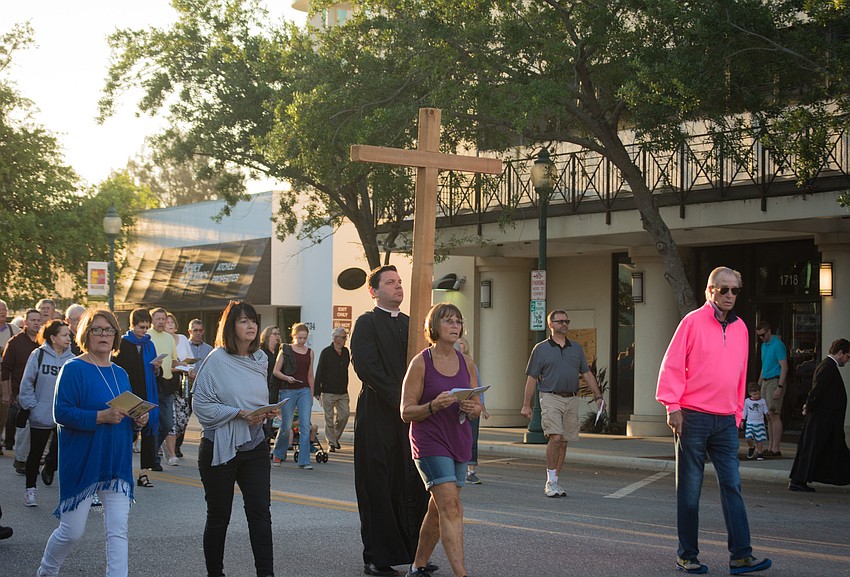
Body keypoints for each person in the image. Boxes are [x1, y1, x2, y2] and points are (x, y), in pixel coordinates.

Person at [656, 266, 772, 575]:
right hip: (692, 417)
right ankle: (687, 555)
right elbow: (672, 365)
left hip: (725, 421)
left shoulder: (742, 328)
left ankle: (741, 556)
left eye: (734, 290)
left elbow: (740, 373)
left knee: (732, 485)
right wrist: (672, 406)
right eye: (723, 290)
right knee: (690, 490)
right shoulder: (691, 322)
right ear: (710, 291)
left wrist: (737, 413)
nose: (730, 295)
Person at [37, 307, 149, 577]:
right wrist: (100, 417)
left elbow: (124, 410)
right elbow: (61, 413)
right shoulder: (73, 368)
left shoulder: (120, 373)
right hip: (83, 459)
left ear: (116, 335)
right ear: (86, 335)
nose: (103, 334)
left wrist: (138, 418)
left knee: (118, 531)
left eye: (109, 329)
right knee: (72, 531)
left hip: (116, 461)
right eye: (97, 329)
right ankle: (47, 571)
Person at [350, 264, 431, 577]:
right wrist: (402, 399)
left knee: (410, 484)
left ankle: (415, 555)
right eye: (391, 282)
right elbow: (367, 368)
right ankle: (377, 558)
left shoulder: (412, 325)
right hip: (377, 416)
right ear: (374, 291)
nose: (398, 287)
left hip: (410, 418)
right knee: (378, 485)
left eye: (400, 282)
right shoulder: (366, 324)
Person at [192, 300, 276, 577]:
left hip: (255, 445)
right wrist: (239, 413)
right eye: (243, 321)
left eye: (253, 320)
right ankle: (215, 573)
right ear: (231, 326)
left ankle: (266, 573)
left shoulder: (261, 359)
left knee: (261, 515)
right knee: (219, 518)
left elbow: (255, 398)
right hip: (219, 447)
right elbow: (201, 405)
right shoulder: (215, 360)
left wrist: (266, 412)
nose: (250, 325)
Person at [401, 303, 480, 577]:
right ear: (434, 326)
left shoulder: (467, 362)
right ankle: (461, 574)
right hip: (429, 441)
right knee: (451, 506)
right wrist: (432, 406)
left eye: (458, 321)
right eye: (448, 321)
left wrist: (473, 408)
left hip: (459, 439)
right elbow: (405, 411)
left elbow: (479, 404)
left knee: (438, 508)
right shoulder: (421, 362)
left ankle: (418, 565)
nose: (455, 325)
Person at [520, 309, 603, 498]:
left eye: (567, 321)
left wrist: (598, 397)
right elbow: (532, 377)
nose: (564, 324)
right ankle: (549, 482)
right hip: (550, 397)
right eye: (560, 321)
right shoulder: (540, 349)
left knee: (564, 442)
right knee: (555, 437)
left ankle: (556, 481)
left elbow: (587, 374)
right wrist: (526, 404)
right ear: (551, 325)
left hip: (571, 398)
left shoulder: (576, 348)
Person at [19, 320, 75, 505]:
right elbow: (27, 382)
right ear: (53, 337)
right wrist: (32, 406)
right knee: (35, 453)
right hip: (40, 414)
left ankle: (50, 468)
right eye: (64, 335)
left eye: (69, 335)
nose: (69, 338)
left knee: (63, 453)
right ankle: (30, 490)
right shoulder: (38, 355)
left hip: (64, 415)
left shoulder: (71, 359)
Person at [788, 338, 850, 492]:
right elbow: (816, 391)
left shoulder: (828, 366)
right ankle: (797, 481)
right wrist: (808, 406)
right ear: (840, 353)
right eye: (847, 356)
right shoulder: (827, 367)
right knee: (812, 449)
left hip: (826, 420)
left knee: (825, 450)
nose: (847, 360)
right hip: (822, 419)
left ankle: (799, 480)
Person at [112, 309, 161, 484]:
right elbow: (115, 369)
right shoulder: (122, 344)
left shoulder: (150, 344)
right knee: (128, 433)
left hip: (147, 393)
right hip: (128, 393)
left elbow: (157, 373)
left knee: (147, 434)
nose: (144, 331)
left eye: (147, 327)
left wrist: (156, 367)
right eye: (141, 327)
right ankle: (121, 470)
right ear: (132, 325)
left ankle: (143, 473)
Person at [2, 309, 42, 474]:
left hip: (42, 393)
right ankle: (21, 460)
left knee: (39, 428)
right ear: (25, 322)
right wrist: (6, 393)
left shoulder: (45, 343)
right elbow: (5, 369)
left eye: (38, 320)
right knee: (24, 428)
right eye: (32, 320)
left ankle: (36, 459)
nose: (36, 323)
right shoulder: (15, 342)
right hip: (21, 393)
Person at [271, 323, 315, 469]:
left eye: (304, 338)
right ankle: (278, 454)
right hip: (288, 390)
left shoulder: (310, 352)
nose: (302, 341)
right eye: (299, 338)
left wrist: (311, 394)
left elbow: (310, 375)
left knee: (305, 426)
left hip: (304, 390)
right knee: (286, 425)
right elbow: (276, 371)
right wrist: (287, 378)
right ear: (293, 336)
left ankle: (304, 461)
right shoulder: (286, 350)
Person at [148, 308, 178, 468]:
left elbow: (174, 360)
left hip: (167, 384)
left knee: (167, 424)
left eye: (163, 319)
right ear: (152, 320)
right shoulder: (147, 337)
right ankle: (153, 458)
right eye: (157, 318)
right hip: (152, 384)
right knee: (152, 424)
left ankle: (154, 451)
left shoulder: (169, 338)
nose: (161, 321)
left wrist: (184, 365)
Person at [457, 337, 488, 484]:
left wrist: (482, 407)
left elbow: (478, 389)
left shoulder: (470, 364)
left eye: (461, 343)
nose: (459, 345)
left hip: (471, 407)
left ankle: (471, 471)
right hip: (454, 408)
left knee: (471, 439)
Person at [314, 326, 351, 452]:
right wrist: (317, 391)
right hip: (328, 391)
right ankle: (331, 443)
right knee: (328, 419)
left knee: (345, 415)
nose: (345, 340)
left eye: (346, 337)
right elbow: (319, 371)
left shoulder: (346, 352)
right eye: (343, 337)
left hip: (342, 392)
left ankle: (334, 438)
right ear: (335, 339)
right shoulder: (326, 352)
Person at [755, 321, 787, 457]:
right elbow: (764, 366)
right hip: (766, 381)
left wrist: (779, 386)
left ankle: (776, 448)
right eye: (759, 336)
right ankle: (771, 446)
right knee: (768, 415)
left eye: (763, 334)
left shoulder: (778, 345)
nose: (761, 337)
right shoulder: (764, 346)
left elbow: (784, 367)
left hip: (775, 380)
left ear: (769, 331)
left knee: (774, 414)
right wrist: (758, 384)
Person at [164, 313, 191, 464]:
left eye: (172, 322)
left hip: (182, 383)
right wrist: (178, 367)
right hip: (166, 384)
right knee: (171, 420)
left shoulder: (182, 339)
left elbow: (188, 359)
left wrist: (186, 367)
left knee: (183, 419)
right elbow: (163, 365)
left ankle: (163, 443)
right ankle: (172, 453)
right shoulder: (160, 340)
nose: (170, 325)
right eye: (167, 322)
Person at [0, 299, 21, 454]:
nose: (2, 312)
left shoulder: (14, 330)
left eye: (4, 309)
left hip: (5, 376)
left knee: (4, 410)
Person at [742, 384, 768, 461]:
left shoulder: (762, 401)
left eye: (758, 394)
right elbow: (745, 411)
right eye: (754, 394)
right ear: (750, 394)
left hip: (759, 422)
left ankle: (759, 453)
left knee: (759, 439)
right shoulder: (747, 401)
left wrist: (767, 414)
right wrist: (743, 420)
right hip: (750, 422)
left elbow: (765, 410)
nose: (757, 396)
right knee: (748, 438)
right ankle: (751, 447)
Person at [259, 326, 282, 404]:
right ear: (267, 336)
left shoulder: (280, 352)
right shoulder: (261, 351)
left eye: (278, 334)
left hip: (277, 387)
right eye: (275, 334)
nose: (277, 336)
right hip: (264, 386)